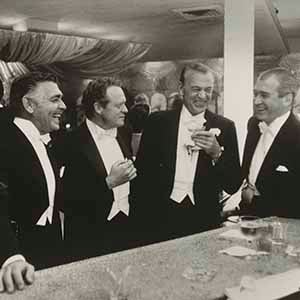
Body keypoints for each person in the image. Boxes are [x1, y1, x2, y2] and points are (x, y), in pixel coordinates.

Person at [133, 63, 241, 243]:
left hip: (203, 221)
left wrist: (216, 154)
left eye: (208, 90)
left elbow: (232, 184)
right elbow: (142, 177)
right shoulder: (157, 123)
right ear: (182, 89)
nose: (203, 96)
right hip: (159, 219)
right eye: (196, 89)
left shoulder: (225, 127)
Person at [57, 77, 137, 261]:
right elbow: (65, 199)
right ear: (98, 108)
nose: (125, 110)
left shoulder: (125, 132)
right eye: (119, 106)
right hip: (90, 237)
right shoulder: (69, 142)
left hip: (126, 229)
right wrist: (109, 182)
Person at [0, 72, 66, 271]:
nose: (63, 106)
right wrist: (11, 257)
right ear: (29, 105)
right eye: (55, 99)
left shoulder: (46, 141)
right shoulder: (4, 140)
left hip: (48, 250)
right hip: (16, 258)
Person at [240, 67, 300, 218]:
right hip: (247, 220)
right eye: (255, 94)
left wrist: (256, 197)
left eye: (264, 95)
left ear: (287, 99)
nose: (256, 101)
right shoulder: (253, 124)